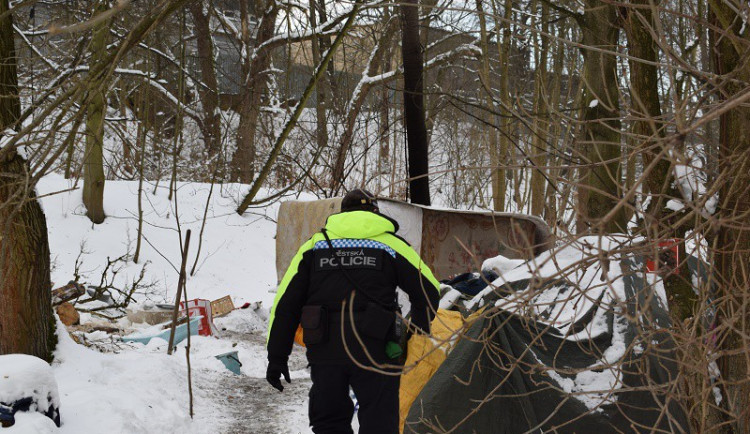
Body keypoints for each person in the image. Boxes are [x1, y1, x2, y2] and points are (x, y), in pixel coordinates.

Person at [266, 188, 440, 434]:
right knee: (379, 424)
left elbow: (286, 304)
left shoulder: (314, 246)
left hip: (325, 350)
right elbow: (429, 291)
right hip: (376, 348)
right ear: (375, 212)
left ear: (342, 213)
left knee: (329, 423)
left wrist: (277, 356)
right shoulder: (390, 244)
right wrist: (414, 332)